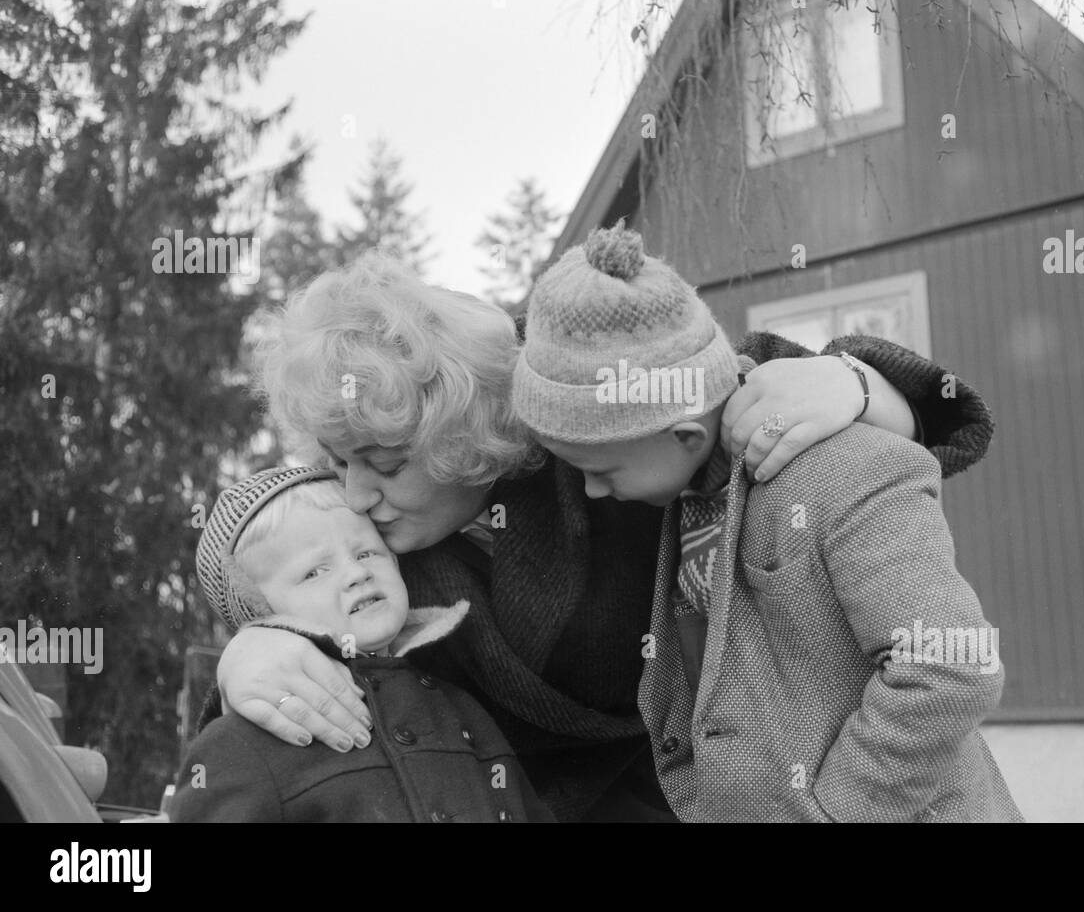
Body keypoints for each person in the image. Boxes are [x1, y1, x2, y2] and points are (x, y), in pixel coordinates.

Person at [205, 249, 996, 821]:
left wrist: (854, 383)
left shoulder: (594, 407)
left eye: (378, 462)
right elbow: (260, 547)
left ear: (456, 430)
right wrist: (253, 645)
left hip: (781, 777)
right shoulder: (382, 536)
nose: (352, 495)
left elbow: (921, 425)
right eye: (336, 462)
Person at [510, 222, 1021, 822]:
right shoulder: (689, 487)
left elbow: (950, 666)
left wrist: (833, 814)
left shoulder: (847, 471)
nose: (591, 491)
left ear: (684, 435)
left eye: (600, 469)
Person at [173, 467, 551, 822]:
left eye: (367, 553)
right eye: (314, 572)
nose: (357, 573)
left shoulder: (462, 706)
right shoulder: (243, 741)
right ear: (260, 611)